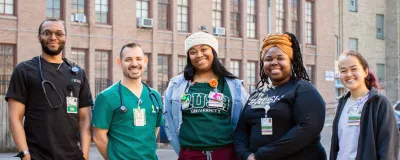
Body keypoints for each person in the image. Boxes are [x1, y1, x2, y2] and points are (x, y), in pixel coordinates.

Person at [6, 19, 93, 160]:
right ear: (39, 37)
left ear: (65, 37)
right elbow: (15, 118)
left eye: (59, 33)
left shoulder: (78, 73)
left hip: (73, 156)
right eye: (47, 33)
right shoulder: (24, 70)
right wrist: (25, 155)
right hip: (37, 156)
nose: (53, 37)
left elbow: (84, 119)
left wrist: (85, 155)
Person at [234, 33, 327, 160]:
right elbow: (241, 129)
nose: (274, 63)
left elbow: (308, 128)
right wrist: (245, 155)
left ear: (291, 60)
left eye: (280, 58)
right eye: (268, 59)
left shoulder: (303, 89)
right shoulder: (257, 94)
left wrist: (262, 155)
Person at [163, 31, 249, 160]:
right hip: (190, 154)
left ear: (213, 51)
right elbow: (168, 120)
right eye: (192, 52)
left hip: (225, 154)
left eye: (204, 49)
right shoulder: (176, 85)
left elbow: (245, 121)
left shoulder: (233, 85)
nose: (199, 55)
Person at [92, 43, 163, 160]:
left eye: (138, 59)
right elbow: (99, 138)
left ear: (145, 61)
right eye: (128, 59)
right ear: (119, 62)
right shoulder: (106, 97)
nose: (134, 64)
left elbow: (154, 130)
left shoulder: (154, 96)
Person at [329, 50, 399, 160]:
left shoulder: (380, 103)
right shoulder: (341, 103)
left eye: (354, 69)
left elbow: (388, 149)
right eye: (343, 70)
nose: (348, 74)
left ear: (365, 71)